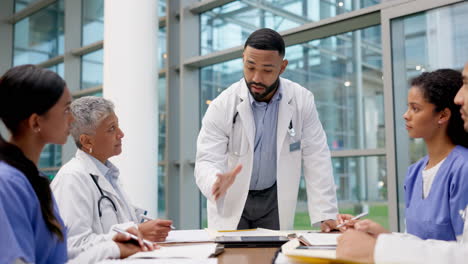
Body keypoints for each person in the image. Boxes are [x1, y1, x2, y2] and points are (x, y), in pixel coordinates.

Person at [0, 65, 155, 264]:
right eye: (66, 110)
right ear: (36, 122)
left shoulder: (34, 180)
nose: (72, 119)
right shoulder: (8, 183)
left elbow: (56, 256)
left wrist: (112, 245)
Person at [194, 28, 338, 231]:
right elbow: (207, 159)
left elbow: (316, 157)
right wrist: (214, 182)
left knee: (273, 257)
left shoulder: (301, 100)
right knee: (231, 258)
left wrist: (326, 214)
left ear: (282, 67)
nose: (256, 78)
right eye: (250, 67)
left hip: (274, 198)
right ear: (243, 59)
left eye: (267, 70)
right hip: (234, 196)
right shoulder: (222, 105)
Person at [336, 63, 468, 263]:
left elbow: (460, 251)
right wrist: (379, 234)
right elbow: (416, 241)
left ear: (443, 115)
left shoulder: (463, 168)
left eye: (415, 108)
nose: (406, 115)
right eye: (408, 107)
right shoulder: (414, 173)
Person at [51, 96, 173, 255]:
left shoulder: (107, 175)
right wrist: (136, 232)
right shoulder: (72, 178)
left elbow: (120, 222)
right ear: (87, 141)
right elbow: (72, 245)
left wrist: (144, 226)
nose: (121, 134)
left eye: (118, 126)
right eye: (111, 129)